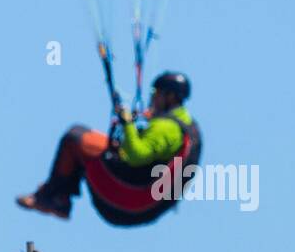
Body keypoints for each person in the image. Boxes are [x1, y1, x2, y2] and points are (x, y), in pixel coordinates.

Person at [16, 71, 202, 226]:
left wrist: (128, 123)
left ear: (169, 96)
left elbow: (136, 155)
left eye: (155, 92)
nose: (151, 98)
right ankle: (59, 196)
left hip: (127, 198)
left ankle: (55, 198)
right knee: (93, 144)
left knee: (74, 138)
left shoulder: (166, 127)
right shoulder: (185, 124)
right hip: (147, 207)